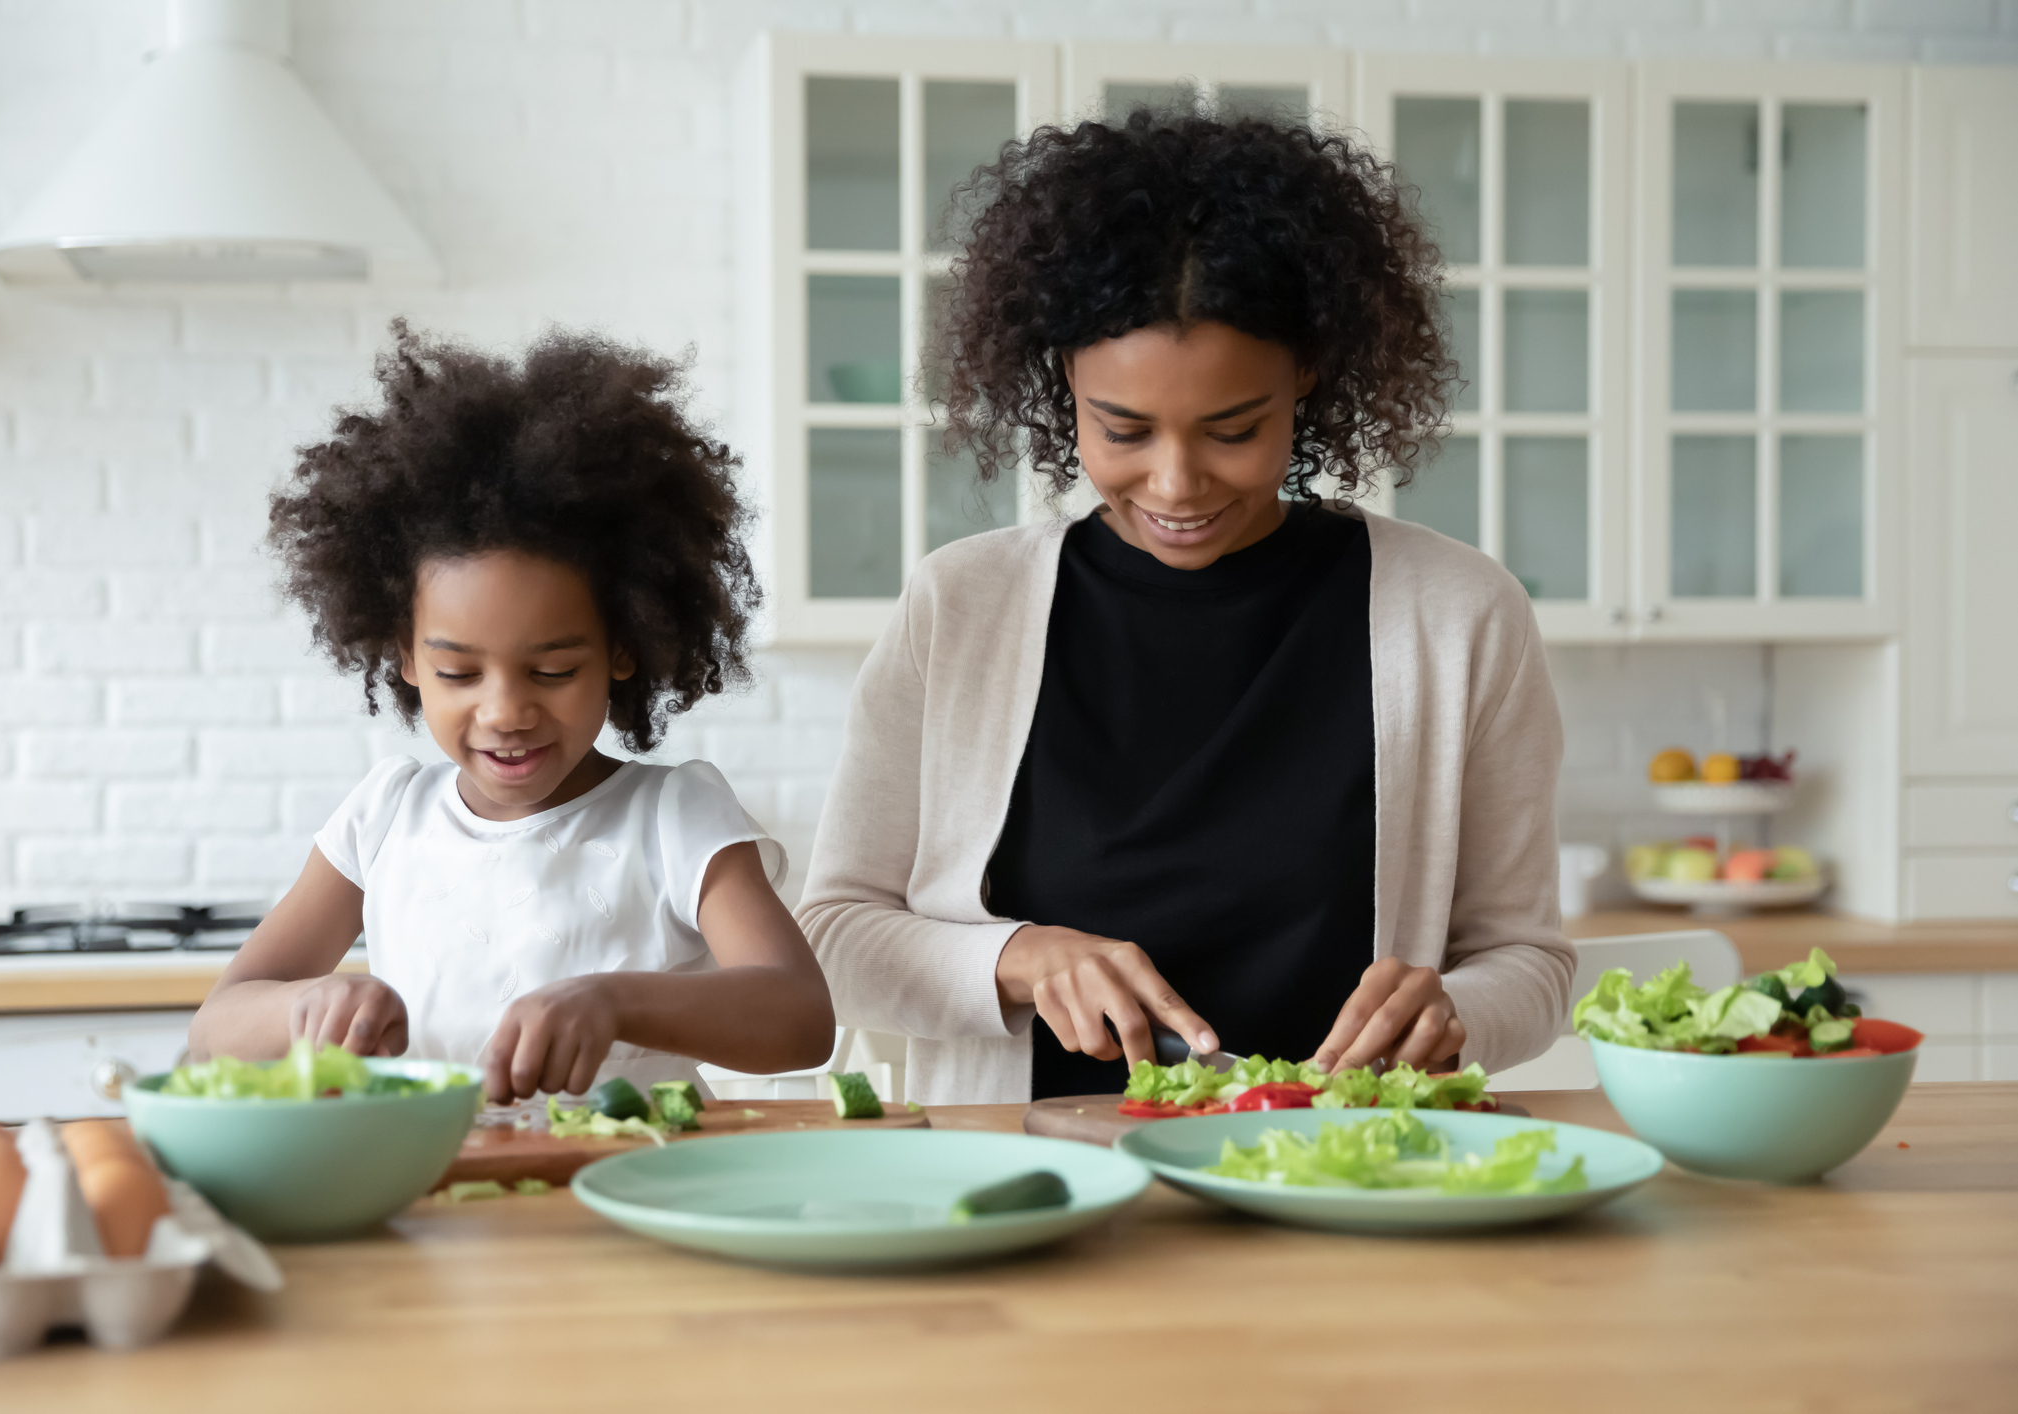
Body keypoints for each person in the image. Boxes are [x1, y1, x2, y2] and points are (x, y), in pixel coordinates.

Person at [797, 108, 1576, 1104]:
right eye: (1122, 429)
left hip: (1329, 1181)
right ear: (1060, 383)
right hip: (1031, 1195)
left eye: (1233, 430)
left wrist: (1457, 1013)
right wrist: (1020, 959)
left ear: (1308, 375)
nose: (1175, 483)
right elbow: (832, 934)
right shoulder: (960, 607)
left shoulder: (1461, 616)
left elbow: (1528, 961)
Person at [189, 324, 835, 1105]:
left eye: (552, 670)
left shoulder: (674, 816)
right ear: (406, 657)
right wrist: (305, 1007)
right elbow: (214, 1027)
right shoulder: (384, 816)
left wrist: (614, 1000)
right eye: (457, 672)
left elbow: (800, 1017)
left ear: (622, 648)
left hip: (631, 1193)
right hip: (433, 1194)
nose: (504, 711)